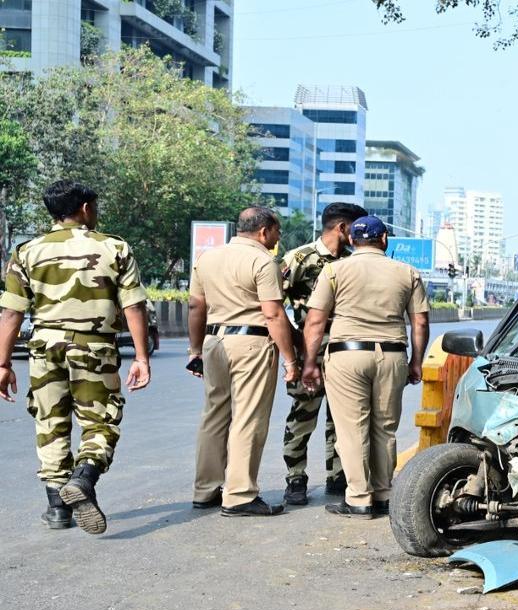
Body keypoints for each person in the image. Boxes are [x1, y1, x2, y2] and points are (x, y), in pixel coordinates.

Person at [0, 180, 152, 535]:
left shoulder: (27, 251)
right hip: (94, 346)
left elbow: (11, 314)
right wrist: (141, 356)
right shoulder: (114, 247)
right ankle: (83, 479)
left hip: (43, 346)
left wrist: (3, 363)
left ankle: (57, 509)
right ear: (85, 208)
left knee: (50, 423)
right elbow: (134, 304)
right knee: (100, 422)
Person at [301, 216, 429, 519]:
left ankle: (358, 498)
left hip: (347, 356)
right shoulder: (407, 272)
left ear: (352, 240)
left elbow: (316, 321)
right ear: (384, 239)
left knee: (352, 429)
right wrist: (416, 363)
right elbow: (420, 321)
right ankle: (384, 494)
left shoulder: (334, 270)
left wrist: (309, 363)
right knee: (385, 428)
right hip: (392, 355)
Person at [188, 206, 299, 517]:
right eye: (277, 233)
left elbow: (196, 306)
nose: (277, 239)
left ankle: (205, 489)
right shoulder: (263, 261)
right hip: (251, 342)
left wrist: (194, 350)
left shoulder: (206, 258)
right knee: (248, 417)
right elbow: (273, 314)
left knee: (214, 415)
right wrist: (290, 360)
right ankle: (239, 495)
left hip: (213, 342)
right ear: (264, 231)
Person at [278, 202, 367, 505]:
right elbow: (273, 304)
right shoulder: (300, 258)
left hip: (345, 353)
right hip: (309, 352)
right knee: (303, 416)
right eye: (355, 228)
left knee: (341, 420)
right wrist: (294, 343)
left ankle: (338, 476)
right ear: (343, 228)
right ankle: (296, 479)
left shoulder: (355, 262)